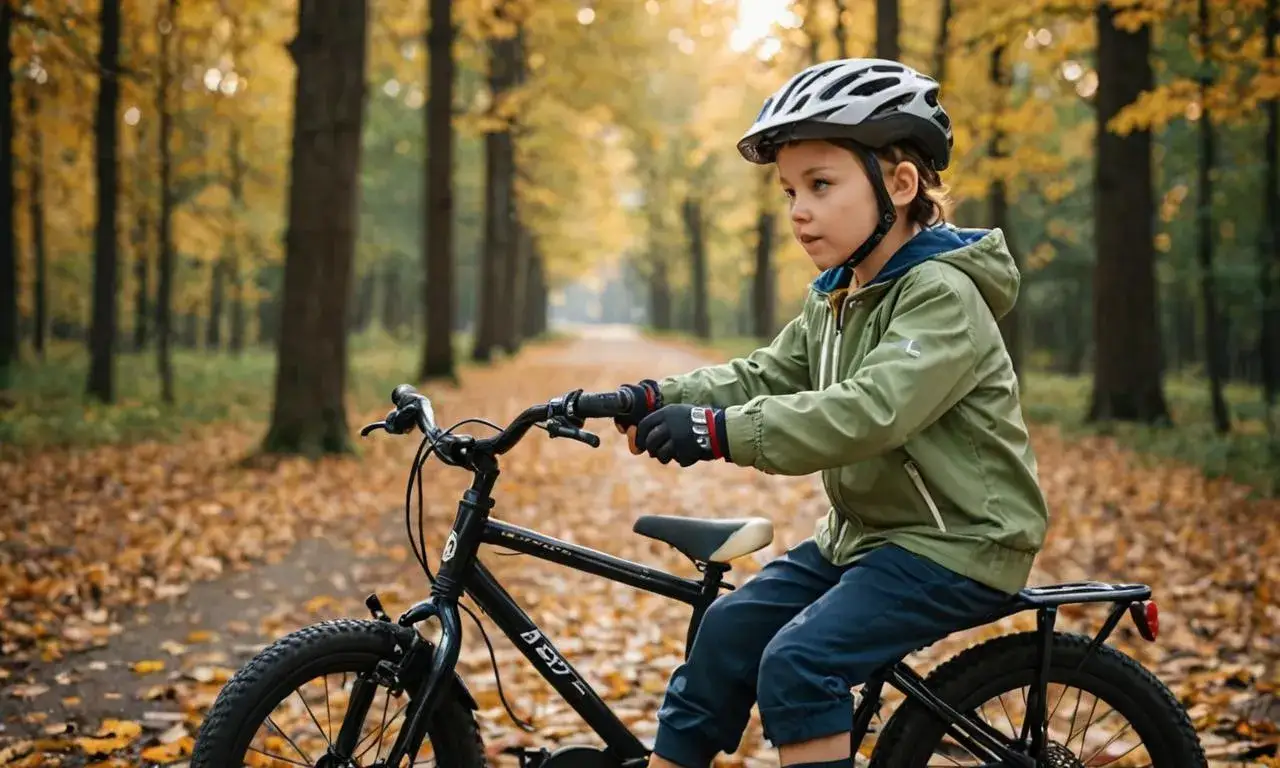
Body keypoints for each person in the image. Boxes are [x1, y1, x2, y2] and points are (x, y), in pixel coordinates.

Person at [611, 58, 1050, 768]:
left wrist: (720, 433)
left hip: (959, 541)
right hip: (866, 538)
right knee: (726, 632)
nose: (798, 210)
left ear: (899, 187)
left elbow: (869, 411)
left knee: (799, 661)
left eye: (820, 185)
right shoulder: (837, 297)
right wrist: (659, 395)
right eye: (789, 191)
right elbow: (766, 372)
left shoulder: (941, 296)